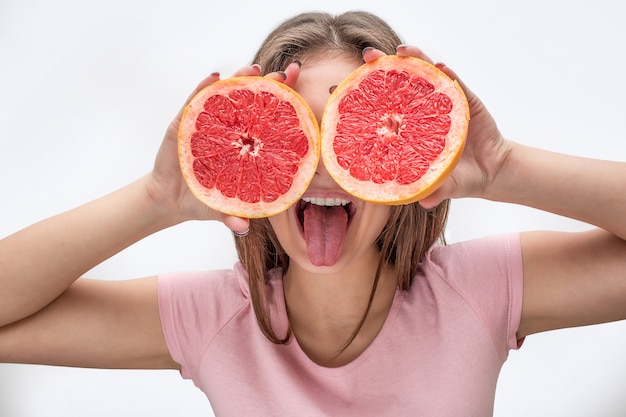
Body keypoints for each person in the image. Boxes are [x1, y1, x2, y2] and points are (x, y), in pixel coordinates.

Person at [1, 10, 625, 416]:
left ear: (406, 159)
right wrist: (155, 201)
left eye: (354, 132)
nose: (322, 166)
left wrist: (503, 168)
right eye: (294, 130)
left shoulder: (478, 291)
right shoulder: (216, 319)